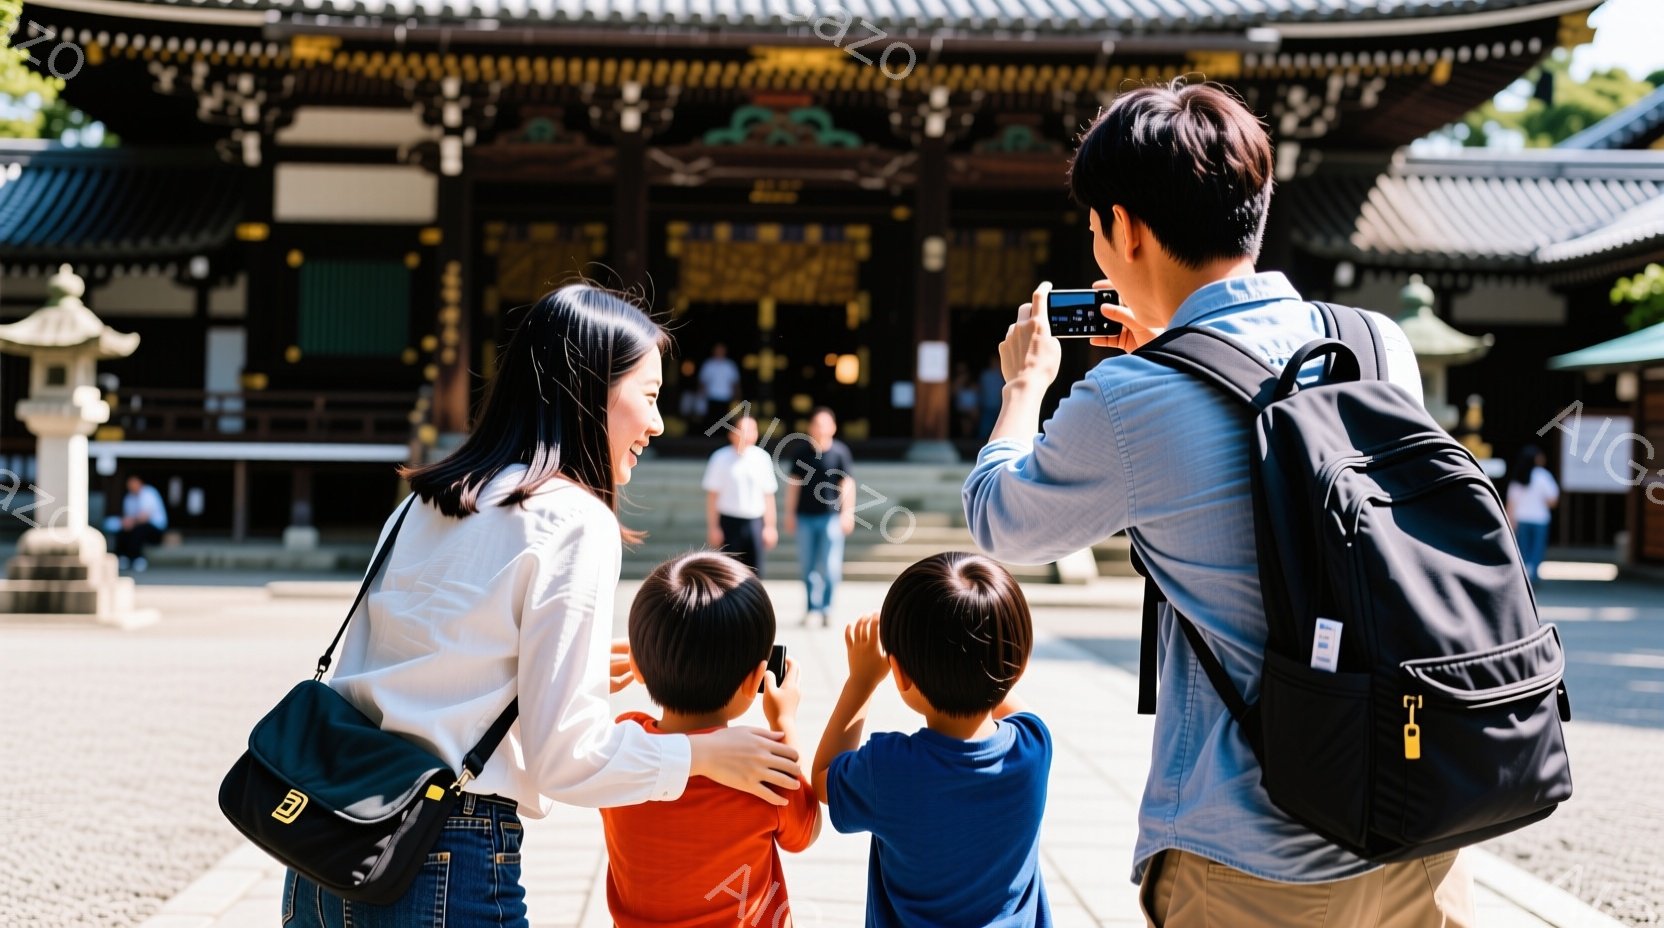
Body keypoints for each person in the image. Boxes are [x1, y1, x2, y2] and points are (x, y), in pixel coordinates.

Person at [962, 83, 1472, 927]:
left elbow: (1001, 521)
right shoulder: (1379, 344)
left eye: (1094, 230)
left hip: (1252, 857)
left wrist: (1025, 387)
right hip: (1421, 823)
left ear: (1125, 227)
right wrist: (1175, 356)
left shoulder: (1130, 396)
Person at [287, 284, 803, 927]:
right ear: (591, 391)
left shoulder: (424, 501)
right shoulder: (573, 520)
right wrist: (702, 755)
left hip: (328, 842)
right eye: (648, 396)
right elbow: (569, 760)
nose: (657, 423)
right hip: (443, 851)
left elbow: (428, 667)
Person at [812, 552, 1051, 928]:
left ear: (901, 676)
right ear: (1019, 663)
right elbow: (1007, 691)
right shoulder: (1034, 747)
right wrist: (981, 648)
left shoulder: (888, 767)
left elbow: (824, 778)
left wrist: (861, 681)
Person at [602, 552, 820, 928]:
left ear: (637, 666)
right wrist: (783, 720)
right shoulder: (762, 764)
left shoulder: (624, 744)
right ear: (756, 681)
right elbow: (806, 831)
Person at [784, 406, 855, 627]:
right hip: (805, 517)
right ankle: (811, 608)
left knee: (831, 567)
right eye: (817, 424)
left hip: (831, 518)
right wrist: (789, 514)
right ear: (809, 427)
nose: (821, 428)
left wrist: (847, 513)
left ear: (833, 427)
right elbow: (794, 485)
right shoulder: (801, 453)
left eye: (825, 424)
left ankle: (826, 608)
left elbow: (847, 484)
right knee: (808, 566)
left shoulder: (840, 453)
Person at [702, 413, 779, 574]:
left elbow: (768, 495)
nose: (746, 434)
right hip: (729, 522)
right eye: (742, 430)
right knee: (729, 573)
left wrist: (770, 527)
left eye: (751, 429)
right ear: (732, 433)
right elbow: (712, 496)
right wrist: (714, 527)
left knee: (754, 573)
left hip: (755, 521)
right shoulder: (719, 458)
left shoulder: (762, 458)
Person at [1506, 444, 1560, 584]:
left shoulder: (1518, 477)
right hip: (1539, 519)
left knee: (1523, 550)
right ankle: (1533, 576)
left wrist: (1510, 523)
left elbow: (1511, 504)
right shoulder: (1543, 476)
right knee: (1536, 550)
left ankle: (1523, 577)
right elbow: (1552, 501)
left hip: (1521, 518)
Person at [115, 474, 167, 571]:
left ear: (140, 483)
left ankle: (138, 558)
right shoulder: (129, 497)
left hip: (155, 529)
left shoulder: (148, 493)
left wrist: (131, 522)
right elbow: (128, 518)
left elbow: (144, 517)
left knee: (139, 530)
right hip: (137, 525)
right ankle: (123, 557)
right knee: (122, 530)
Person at [698, 342, 742, 421]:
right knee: (711, 419)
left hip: (726, 396)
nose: (719, 352)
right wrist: (701, 394)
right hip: (711, 396)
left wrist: (737, 396)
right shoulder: (708, 364)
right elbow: (702, 381)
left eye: (721, 350)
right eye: (717, 350)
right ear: (714, 351)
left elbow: (735, 382)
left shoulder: (730, 365)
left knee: (724, 419)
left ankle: (722, 433)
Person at [977, 354, 1005, 440]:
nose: (995, 363)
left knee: (999, 427)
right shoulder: (985, 375)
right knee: (985, 427)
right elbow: (981, 389)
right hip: (987, 404)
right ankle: (979, 445)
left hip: (999, 405)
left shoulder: (1002, 374)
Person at [952, 361, 979, 438]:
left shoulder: (974, 384)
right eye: (960, 371)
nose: (962, 373)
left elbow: (977, 397)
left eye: (964, 371)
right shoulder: (956, 383)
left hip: (972, 409)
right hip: (960, 410)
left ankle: (970, 436)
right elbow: (953, 391)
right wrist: (960, 379)